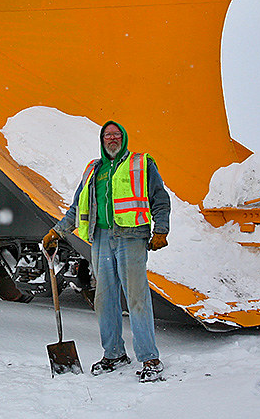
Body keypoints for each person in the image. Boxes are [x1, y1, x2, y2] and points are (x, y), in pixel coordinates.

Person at [43, 121, 171, 382]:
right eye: (107, 135)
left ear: (123, 138)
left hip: (131, 236)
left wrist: (161, 230)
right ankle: (114, 354)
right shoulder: (93, 169)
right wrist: (57, 232)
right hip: (100, 238)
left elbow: (160, 199)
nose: (112, 138)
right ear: (102, 140)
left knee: (136, 298)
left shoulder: (141, 164)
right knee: (105, 299)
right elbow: (77, 207)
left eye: (116, 134)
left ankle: (150, 359)